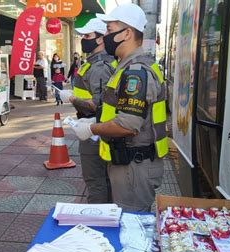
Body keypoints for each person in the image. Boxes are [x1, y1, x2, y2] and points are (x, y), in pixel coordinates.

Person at [70, 4, 169, 212]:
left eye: (109, 29)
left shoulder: (135, 72)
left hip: (134, 168)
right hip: (130, 164)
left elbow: (128, 125)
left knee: (130, 228)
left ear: (127, 33)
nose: (105, 36)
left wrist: (91, 129)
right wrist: (95, 121)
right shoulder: (128, 66)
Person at [60, 18, 118, 204]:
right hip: (97, 126)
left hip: (94, 129)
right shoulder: (99, 62)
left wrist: (72, 99)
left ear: (100, 39)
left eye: (88, 35)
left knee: (96, 181)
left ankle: (97, 220)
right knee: (105, 179)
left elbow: (98, 104)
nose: (83, 39)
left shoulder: (99, 66)